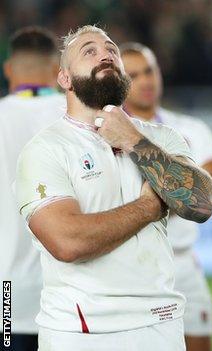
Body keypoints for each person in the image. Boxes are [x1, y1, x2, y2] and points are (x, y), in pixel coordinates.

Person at [14, 25, 212, 351]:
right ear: (64, 79)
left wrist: (134, 141)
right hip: (82, 332)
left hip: (160, 325)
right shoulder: (46, 149)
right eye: (89, 51)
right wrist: (150, 207)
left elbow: (203, 203)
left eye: (111, 50)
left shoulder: (160, 139)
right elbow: (68, 242)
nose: (105, 54)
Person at [120, 42, 212, 351]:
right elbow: (198, 191)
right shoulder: (111, 133)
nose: (145, 80)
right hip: (133, 268)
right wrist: (184, 184)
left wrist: (151, 195)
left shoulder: (190, 128)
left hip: (182, 263)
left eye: (149, 71)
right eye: (133, 75)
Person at [0, 26, 65, 351]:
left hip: (8, 296)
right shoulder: (78, 118)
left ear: (8, 69)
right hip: (72, 296)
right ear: (58, 71)